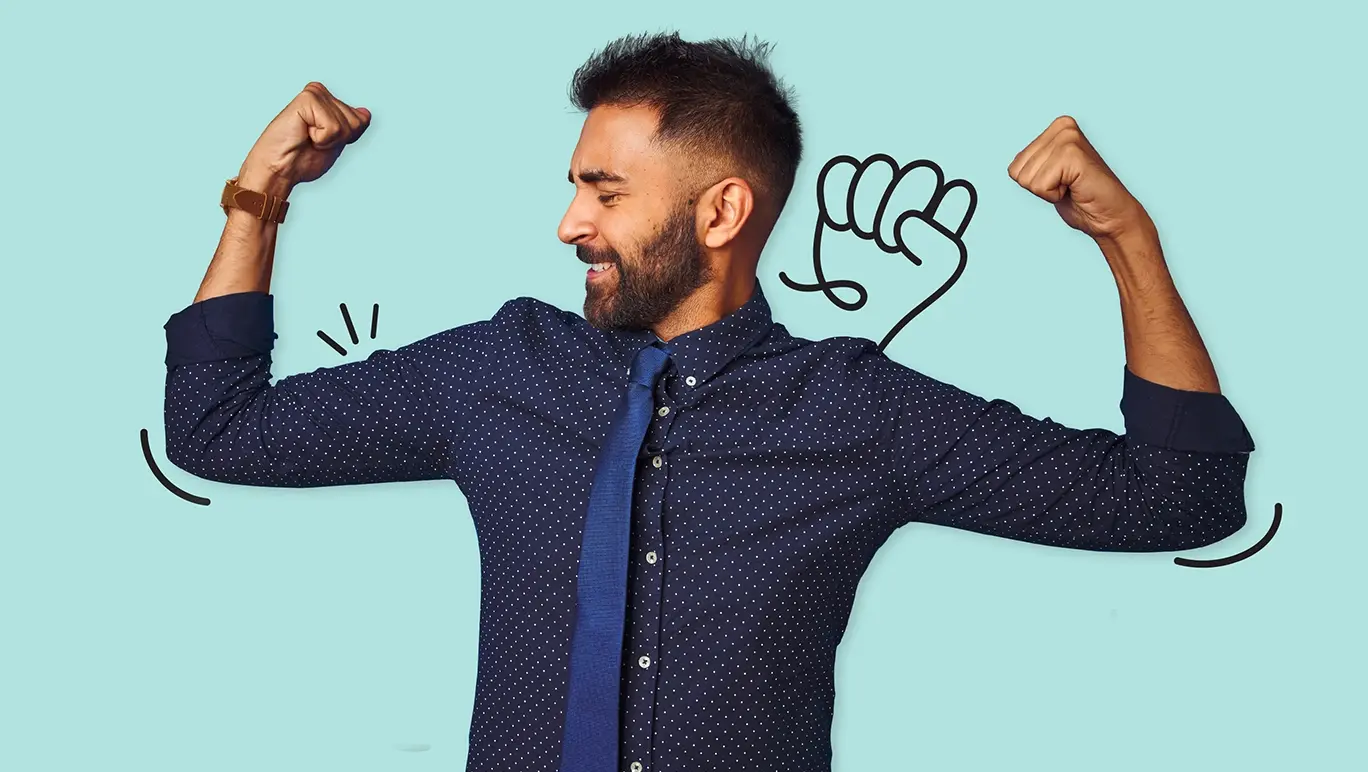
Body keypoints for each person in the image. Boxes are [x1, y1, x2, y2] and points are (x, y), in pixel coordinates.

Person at [163, 31, 1255, 772]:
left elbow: (1182, 496)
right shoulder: (499, 370)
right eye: (574, 184)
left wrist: (1129, 242)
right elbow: (220, 428)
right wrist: (258, 200)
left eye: (605, 191)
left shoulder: (853, 410)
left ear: (722, 210)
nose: (568, 224)